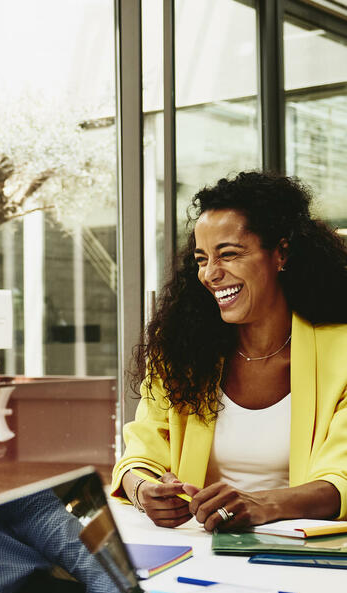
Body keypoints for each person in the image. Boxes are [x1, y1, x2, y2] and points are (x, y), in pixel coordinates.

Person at [111, 171, 347, 531]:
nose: (209, 274)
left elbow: (341, 477)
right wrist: (145, 491)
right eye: (202, 258)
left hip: (309, 557)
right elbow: (139, 453)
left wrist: (264, 504)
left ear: (280, 253)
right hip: (201, 552)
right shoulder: (182, 354)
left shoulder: (340, 353)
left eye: (229, 254)